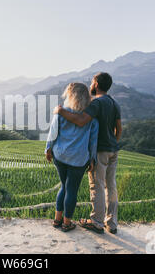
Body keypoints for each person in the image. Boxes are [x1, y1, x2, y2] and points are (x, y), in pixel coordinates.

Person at [53, 72, 122, 234]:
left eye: (92, 81)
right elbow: (119, 129)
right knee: (111, 186)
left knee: (96, 186)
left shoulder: (95, 103)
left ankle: (97, 222)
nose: (91, 84)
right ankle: (112, 223)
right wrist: (114, 143)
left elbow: (81, 120)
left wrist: (60, 111)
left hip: (100, 151)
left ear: (96, 84)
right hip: (113, 150)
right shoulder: (114, 103)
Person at [45, 83, 99, 232]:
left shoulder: (61, 112)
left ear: (70, 95)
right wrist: (93, 159)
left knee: (64, 186)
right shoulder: (91, 118)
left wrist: (48, 149)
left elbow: (53, 132)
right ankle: (67, 223)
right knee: (71, 189)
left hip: (60, 155)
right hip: (79, 158)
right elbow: (93, 141)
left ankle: (57, 220)